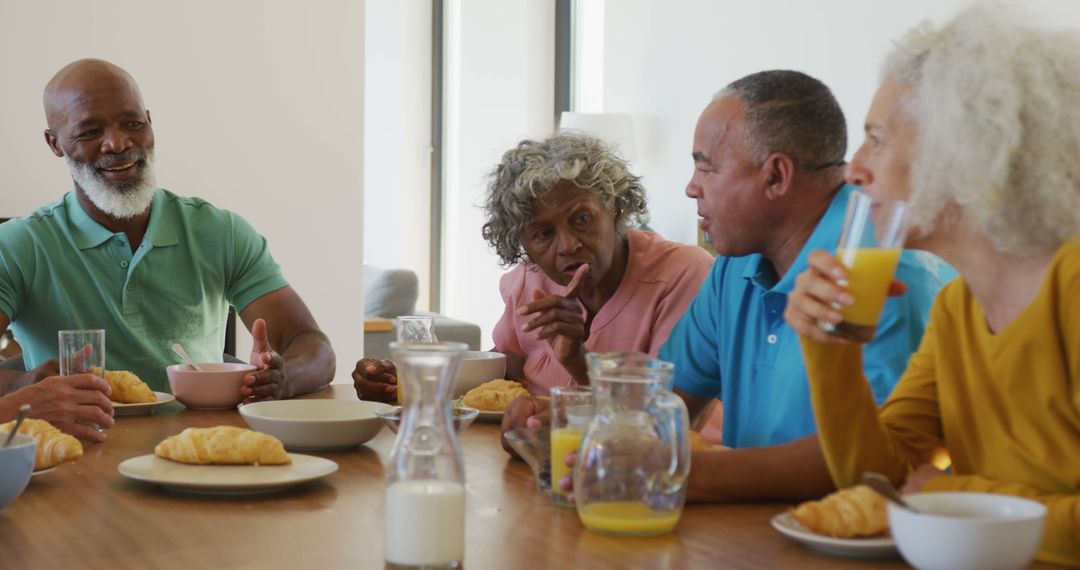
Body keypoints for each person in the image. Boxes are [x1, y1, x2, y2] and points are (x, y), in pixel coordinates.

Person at [507, 71, 953, 501]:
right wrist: (579, 420)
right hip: (748, 537)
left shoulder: (885, 271)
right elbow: (669, 404)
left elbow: (876, 463)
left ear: (776, 177)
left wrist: (682, 474)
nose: (690, 188)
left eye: (706, 169)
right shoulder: (734, 268)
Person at [784, 5, 1079, 565]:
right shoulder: (957, 308)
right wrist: (831, 354)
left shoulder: (1072, 288)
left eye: (876, 138)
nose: (853, 170)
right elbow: (883, 483)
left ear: (966, 145)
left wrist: (956, 497)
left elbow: (928, 495)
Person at [0, 59, 335, 439]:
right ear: (54, 143)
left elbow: (311, 344)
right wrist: (21, 385)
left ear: (150, 122)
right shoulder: (18, 245)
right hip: (80, 451)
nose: (118, 143)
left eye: (132, 124)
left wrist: (284, 377)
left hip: (203, 448)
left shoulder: (220, 231)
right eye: (90, 131)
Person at [354, 133, 713, 401]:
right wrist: (408, 381)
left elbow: (662, 417)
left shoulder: (682, 274)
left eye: (582, 218)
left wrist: (577, 359)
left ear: (616, 208)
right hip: (540, 460)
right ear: (521, 245)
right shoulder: (528, 281)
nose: (569, 244)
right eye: (543, 234)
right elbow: (505, 375)